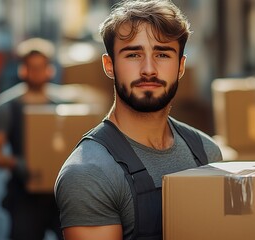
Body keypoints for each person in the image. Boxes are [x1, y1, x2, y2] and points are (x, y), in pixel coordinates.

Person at [54, 1, 223, 240]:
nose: (149, 69)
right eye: (133, 54)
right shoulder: (89, 173)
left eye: (162, 54)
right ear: (109, 65)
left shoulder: (207, 153)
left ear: (181, 66)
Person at [0, 38, 63, 240]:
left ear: (50, 70)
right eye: (31, 67)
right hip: (25, 195)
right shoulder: (5, 107)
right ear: (23, 70)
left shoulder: (64, 106)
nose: (36, 72)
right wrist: (16, 163)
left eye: (41, 67)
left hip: (62, 194)